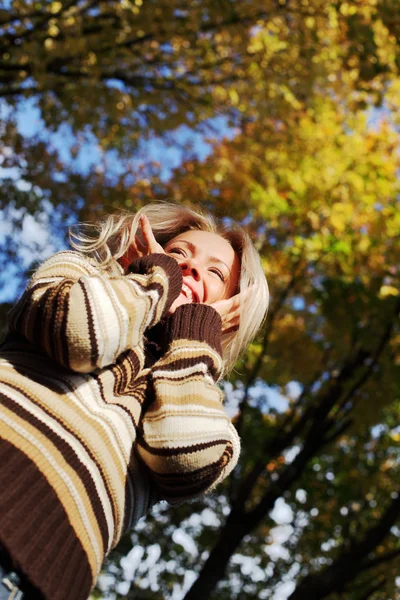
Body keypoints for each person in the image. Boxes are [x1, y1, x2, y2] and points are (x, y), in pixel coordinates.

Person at [0, 202, 269, 600]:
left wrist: (194, 338)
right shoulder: (74, 276)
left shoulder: (195, 394)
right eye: (178, 253)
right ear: (141, 253)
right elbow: (80, 334)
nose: (190, 269)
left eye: (216, 273)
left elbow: (187, 457)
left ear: (228, 312)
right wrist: (159, 277)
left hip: (36, 585)